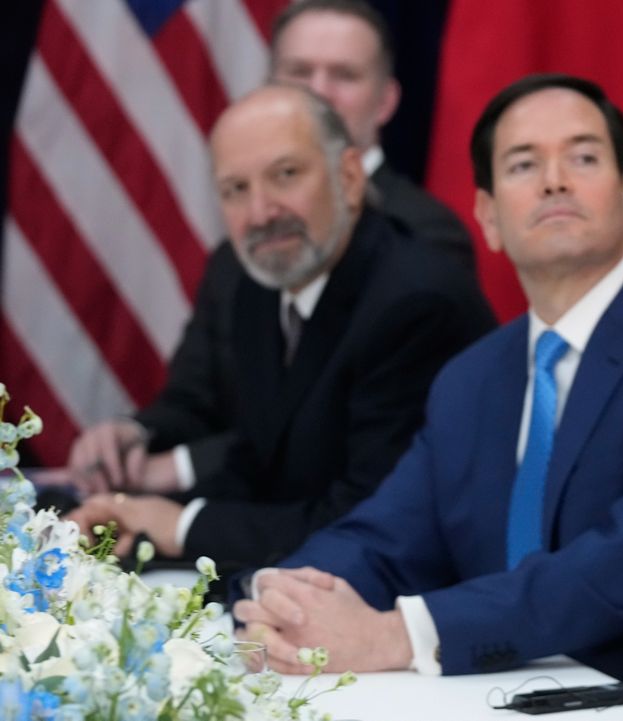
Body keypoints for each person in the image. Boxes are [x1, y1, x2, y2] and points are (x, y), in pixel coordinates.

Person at [232, 74, 623, 720]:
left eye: (582, 158)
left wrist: (395, 634)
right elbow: (385, 535)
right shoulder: (471, 377)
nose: (555, 180)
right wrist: (284, 600)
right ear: (489, 217)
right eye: (524, 164)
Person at [66, 84, 493, 569]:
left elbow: (368, 521)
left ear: (349, 177)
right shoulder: (259, 283)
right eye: (235, 190)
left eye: (285, 175)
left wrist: (180, 525)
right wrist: (130, 511)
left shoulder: (414, 304)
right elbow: (263, 464)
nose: (261, 214)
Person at [66, 0, 476, 493]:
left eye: (344, 74)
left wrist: (176, 474)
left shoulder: (421, 244)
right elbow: (196, 398)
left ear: (386, 101)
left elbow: (320, 441)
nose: (319, 91)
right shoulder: (250, 247)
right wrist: (135, 435)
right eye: (299, 72)